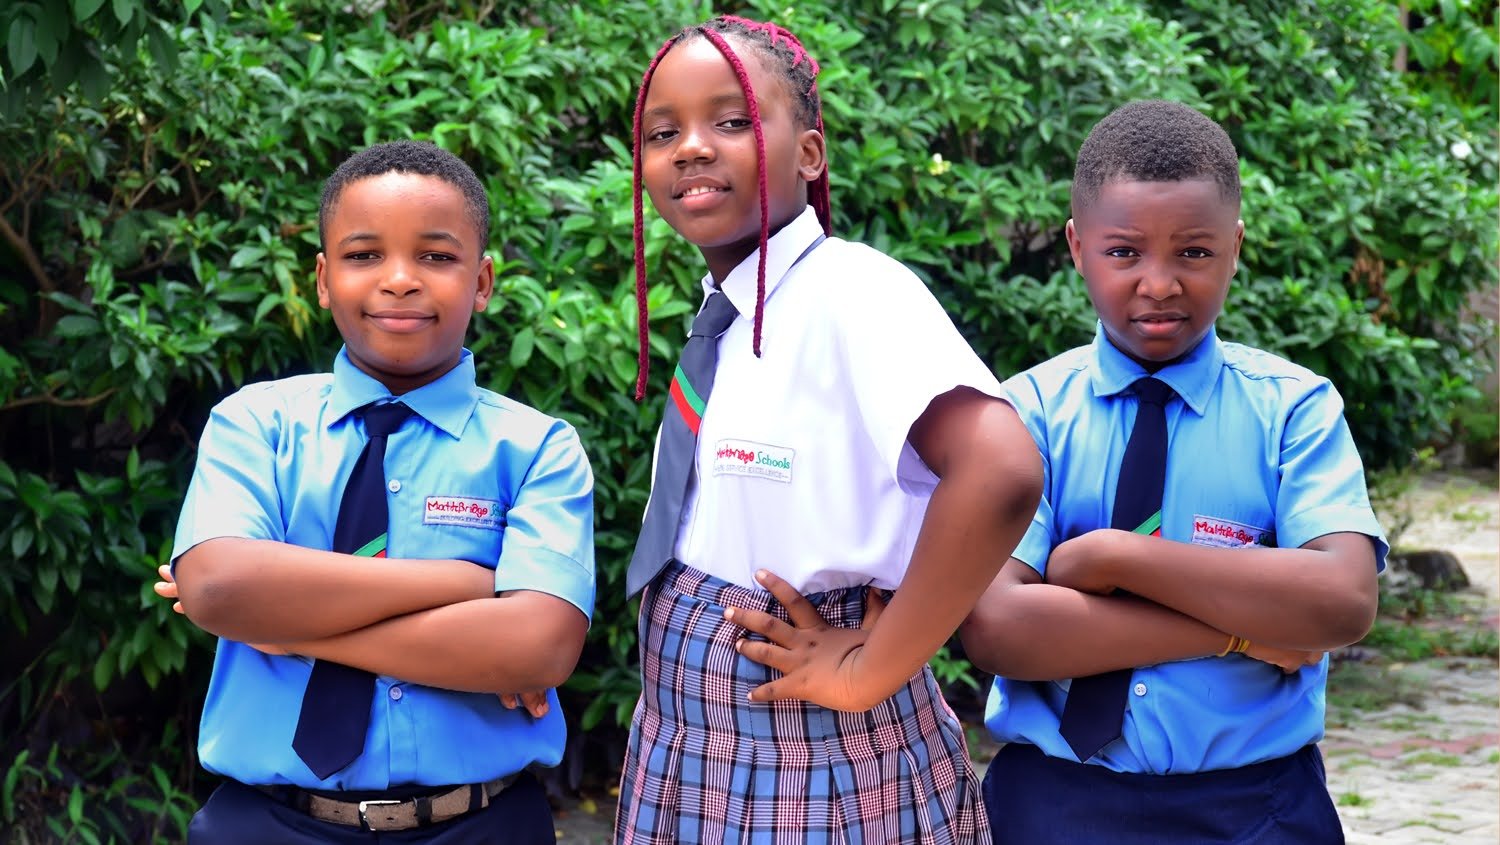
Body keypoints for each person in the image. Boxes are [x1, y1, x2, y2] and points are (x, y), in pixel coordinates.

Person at [615, 15, 1042, 844]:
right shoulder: (730, 314)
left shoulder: (851, 289)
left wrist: (869, 668)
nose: (692, 147)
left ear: (809, 154)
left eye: (731, 120)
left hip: (809, 760)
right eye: (663, 132)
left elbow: (1000, 469)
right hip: (690, 748)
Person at [958, 100, 1388, 844]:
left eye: (1193, 252)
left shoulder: (1294, 411)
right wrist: (1242, 632)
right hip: (1054, 804)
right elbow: (1000, 628)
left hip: (1258, 809)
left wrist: (1111, 554)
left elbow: (1342, 601)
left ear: (1235, 247)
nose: (1159, 284)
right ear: (1076, 246)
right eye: (1125, 252)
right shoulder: (1025, 413)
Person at [156, 140, 594, 844]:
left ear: (481, 282)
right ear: (323, 279)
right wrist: (466, 584)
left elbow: (537, 648)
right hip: (267, 821)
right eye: (364, 256)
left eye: (436, 256)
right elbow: (218, 586)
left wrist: (274, 622)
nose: (399, 280)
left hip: (479, 823)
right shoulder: (255, 423)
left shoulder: (537, 447)